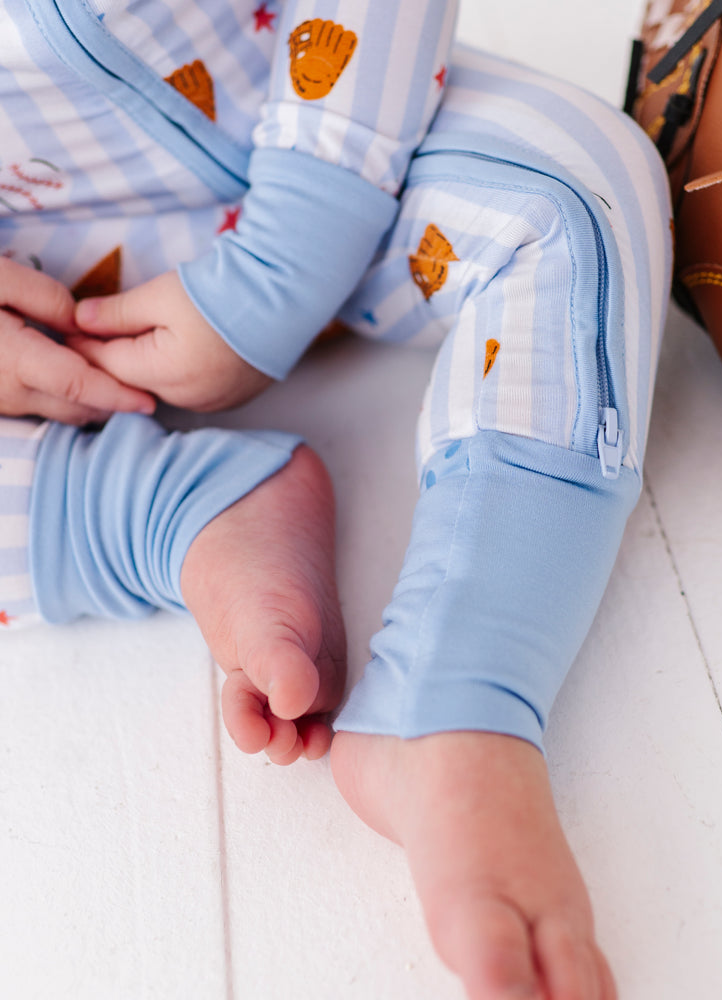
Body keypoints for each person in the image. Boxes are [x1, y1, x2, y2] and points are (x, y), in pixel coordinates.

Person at [0, 2, 672, 997]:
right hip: (45, 292)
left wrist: (284, 256)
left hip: (332, 138)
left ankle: (450, 695)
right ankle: (167, 509)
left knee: (582, 188)